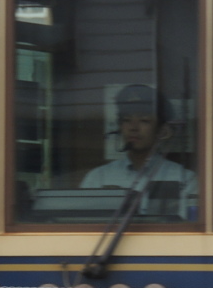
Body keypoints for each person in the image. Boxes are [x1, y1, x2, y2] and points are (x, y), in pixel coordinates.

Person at [81, 84, 198, 219]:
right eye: (126, 120)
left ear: (162, 130)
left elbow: (184, 229)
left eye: (144, 120)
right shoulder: (98, 178)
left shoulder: (184, 179)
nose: (133, 127)